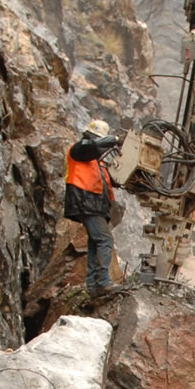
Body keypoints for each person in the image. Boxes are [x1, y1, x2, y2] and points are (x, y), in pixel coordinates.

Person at [65, 120, 124, 295]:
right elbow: (90, 145)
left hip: (94, 208)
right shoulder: (79, 150)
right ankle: (104, 282)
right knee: (105, 240)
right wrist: (114, 139)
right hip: (86, 205)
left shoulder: (97, 165)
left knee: (94, 243)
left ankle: (93, 285)